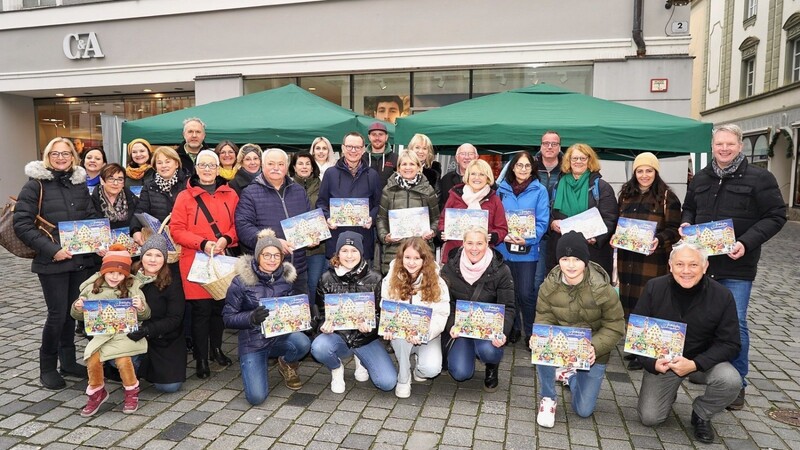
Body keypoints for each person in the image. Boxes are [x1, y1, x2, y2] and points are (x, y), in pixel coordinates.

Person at [681, 123, 787, 410]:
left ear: (740, 146)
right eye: (719, 144)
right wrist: (687, 222)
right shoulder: (701, 178)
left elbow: (776, 215)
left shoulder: (759, 178)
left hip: (737, 266)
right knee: (700, 319)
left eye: (730, 144)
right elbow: (688, 207)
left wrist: (747, 242)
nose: (724, 149)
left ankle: (736, 384)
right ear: (712, 147)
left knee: (735, 324)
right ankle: (704, 369)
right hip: (702, 264)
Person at [635, 242, 742, 444]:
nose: (686, 271)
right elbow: (636, 334)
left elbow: (731, 343)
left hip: (704, 362)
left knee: (731, 380)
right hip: (665, 364)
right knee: (650, 418)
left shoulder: (722, 295)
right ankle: (668, 394)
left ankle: (702, 413)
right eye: (680, 264)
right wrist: (652, 363)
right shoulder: (654, 287)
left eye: (693, 265)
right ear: (670, 265)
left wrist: (695, 364)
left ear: (705, 266)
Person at [14, 137, 97, 390]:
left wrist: (97, 237)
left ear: (73, 157)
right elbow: (22, 225)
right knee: (57, 314)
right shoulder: (34, 185)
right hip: (52, 261)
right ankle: (47, 367)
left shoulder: (79, 184)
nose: (61, 158)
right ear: (47, 157)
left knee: (72, 313)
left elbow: (90, 215)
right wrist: (53, 250)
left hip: (79, 260)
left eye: (66, 154)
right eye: (55, 154)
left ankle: (68, 362)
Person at [532, 231, 625, 428]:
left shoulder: (603, 289)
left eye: (576, 259)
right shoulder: (548, 286)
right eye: (565, 259)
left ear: (585, 260)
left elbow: (615, 326)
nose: (571, 265)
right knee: (540, 344)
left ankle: (570, 376)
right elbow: (544, 318)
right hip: (560, 345)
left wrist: (595, 347)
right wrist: (538, 336)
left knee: (583, 410)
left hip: (591, 351)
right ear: (559, 260)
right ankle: (548, 398)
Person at [171, 150, 239, 379]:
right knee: (200, 311)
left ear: (219, 168)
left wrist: (226, 238)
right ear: (196, 168)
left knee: (220, 308)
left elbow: (237, 225)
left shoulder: (230, 194)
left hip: (222, 258)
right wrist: (202, 243)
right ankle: (200, 358)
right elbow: (177, 230)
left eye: (212, 165)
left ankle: (216, 349)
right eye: (203, 165)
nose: (208, 169)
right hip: (195, 260)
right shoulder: (184, 197)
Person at [223, 229, 312, 405]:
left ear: (281, 257)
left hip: (279, 337)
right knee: (256, 398)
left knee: (303, 342)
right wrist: (251, 318)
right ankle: (256, 362)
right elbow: (227, 317)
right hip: (253, 341)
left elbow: (291, 311)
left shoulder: (286, 279)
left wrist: (304, 319)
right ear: (258, 256)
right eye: (267, 255)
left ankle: (285, 362)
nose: (272, 260)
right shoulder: (240, 282)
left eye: (276, 255)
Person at [612, 152, 681, 370]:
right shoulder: (625, 195)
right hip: (627, 258)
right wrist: (615, 236)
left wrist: (658, 240)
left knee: (650, 301)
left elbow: (675, 230)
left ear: (656, 172)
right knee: (630, 301)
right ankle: (634, 347)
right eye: (640, 171)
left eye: (649, 170)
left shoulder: (667, 198)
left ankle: (648, 353)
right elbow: (617, 223)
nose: (644, 175)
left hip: (653, 259)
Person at [311, 232, 396, 393]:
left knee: (387, 382)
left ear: (361, 253)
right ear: (337, 253)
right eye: (344, 250)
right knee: (319, 347)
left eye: (354, 250)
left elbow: (384, 315)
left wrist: (371, 325)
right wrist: (323, 325)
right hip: (339, 336)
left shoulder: (376, 279)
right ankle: (336, 368)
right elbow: (319, 312)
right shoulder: (326, 278)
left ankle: (361, 359)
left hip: (365, 338)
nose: (349, 256)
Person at [70, 246, 150, 416]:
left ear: (126, 274)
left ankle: (131, 393)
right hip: (101, 336)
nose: (115, 277)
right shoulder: (91, 287)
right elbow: (78, 315)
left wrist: (140, 307)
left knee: (123, 361)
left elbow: (145, 315)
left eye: (120, 273)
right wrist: (78, 307)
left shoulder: (133, 287)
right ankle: (97, 392)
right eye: (111, 272)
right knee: (92, 359)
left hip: (124, 335)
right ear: (103, 271)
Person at [440, 228, 515, 392]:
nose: (474, 248)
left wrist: (502, 332)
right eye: (470, 243)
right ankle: (467, 352)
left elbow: (509, 307)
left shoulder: (501, 270)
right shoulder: (449, 268)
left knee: (489, 351)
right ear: (463, 244)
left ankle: (491, 366)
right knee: (460, 373)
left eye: (479, 243)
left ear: (487, 244)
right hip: (461, 329)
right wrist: (452, 324)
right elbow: (444, 303)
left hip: (488, 330)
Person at [235, 148, 312, 295]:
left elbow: (308, 220)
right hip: (268, 272)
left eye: (280, 164)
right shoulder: (250, 192)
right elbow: (243, 227)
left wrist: (312, 236)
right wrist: (272, 242)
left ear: (287, 166)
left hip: (299, 269)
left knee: (300, 315)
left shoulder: (299, 191)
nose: (276, 168)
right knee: (271, 316)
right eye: (271, 163)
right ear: (263, 166)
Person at [381, 238, 450, 398]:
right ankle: (404, 378)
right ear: (401, 258)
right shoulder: (391, 278)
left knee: (430, 370)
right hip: (402, 334)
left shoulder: (437, 282)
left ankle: (419, 367)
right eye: (408, 257)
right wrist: (388, 326)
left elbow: (441, 314)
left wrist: (426, 333)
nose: (411, 262)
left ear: (424, 260)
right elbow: (386, 304)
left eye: (416, 258)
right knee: (400, 338)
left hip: (428, 335)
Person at [496, 151, 550, 345]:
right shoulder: (501, 189)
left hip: (528, 251)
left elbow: (543, 222)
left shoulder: (540, 190)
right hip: (504, 249)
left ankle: (530, 332)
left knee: (526, 293)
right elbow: (496, 218)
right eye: (519, 165)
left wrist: (527, 239)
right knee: (509, 292)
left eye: (527, 166)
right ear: (512, 167)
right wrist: (503, 234)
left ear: (533, 169)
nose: (523, 169)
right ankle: (513, 328)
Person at [547, 143, 618, 276]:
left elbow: (611, 218)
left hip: (592, 253)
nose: (578, 162)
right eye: (574, 158)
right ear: (568, 161)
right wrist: (551, 223)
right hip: (562, 253)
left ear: (589, 160)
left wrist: (597, 237)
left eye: (583, 158)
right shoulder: (556, 187)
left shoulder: (602, 187)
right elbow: (547, 214)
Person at [131, 235, 187, 393]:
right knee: (119, 360)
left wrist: (148, 330)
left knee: (169, 387)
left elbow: (175, 318)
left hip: (164, 337)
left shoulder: (172, 281)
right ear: (142, 257)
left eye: (158, 255)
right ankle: (131, 367)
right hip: (134, 334)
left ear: (165, 259)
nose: (153, 260)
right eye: (148, 254)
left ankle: (146, 368)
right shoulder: (130, 276)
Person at [317, 132, 382, 263]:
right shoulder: (331, 174)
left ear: (363, 149)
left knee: (363, 282)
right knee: (335, 281)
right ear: (342, 148)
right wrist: (328, 218)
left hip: (363, 238)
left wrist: (372, 218)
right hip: (337, 239)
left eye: (357, 147)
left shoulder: (372, 175)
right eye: (349, 146)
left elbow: (379, 204)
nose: (353, 151)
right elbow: (321, 203)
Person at [377, 150, 439, 274]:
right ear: (398, 168)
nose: (408, 168)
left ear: (418, 167)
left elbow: (437, 219)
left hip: (421, 250)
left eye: (412, 164)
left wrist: (432, 232)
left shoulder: (428, 190)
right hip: (395, 250)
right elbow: (381, 219)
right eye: (404, 164)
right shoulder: (388, 190)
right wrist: (385, 237)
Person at [438, 159, 508, 264]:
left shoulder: (494, 199)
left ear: (488, 178)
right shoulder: (455, 195)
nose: (477, 178)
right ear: (468, 176)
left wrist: (494, 236)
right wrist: (442, 232)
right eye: (473, 174)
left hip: (482, 256)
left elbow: (502, 228)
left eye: (481, 174)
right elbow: (443, 220)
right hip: (455, 254)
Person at [289, 151, 327, 306]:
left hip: (317, 247)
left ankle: (312, 318)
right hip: (294, 247)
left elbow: (326, 208)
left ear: (313, 167)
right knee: (295, 285)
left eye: (307, 163)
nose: (304, 167)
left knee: (313, 283)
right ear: (294, 167)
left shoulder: (323, 185)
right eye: (300, 163)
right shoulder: (287, 187)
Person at [130, 146, 188, 247]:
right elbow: (140, 210)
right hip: (157, 239)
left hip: (183, 240)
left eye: (167, 161)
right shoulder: (149, 186)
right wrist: (135, 230)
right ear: (155, 166)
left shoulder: (188, 184)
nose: (163, 166)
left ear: (177, 164)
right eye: (159, 163)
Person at [533, 131, 563, 307]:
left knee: (559, 280)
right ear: (540, 145)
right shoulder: (531, 166)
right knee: (536, 282)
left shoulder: (567, 168)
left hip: (560, 231)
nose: (549, 147)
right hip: (537, 233)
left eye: (554, 144)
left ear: (560, 147)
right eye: (546, 143)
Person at [91, 163, 139, 231]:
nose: (115, 183)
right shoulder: (91, 201)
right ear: (102, 180)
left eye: (120, 180)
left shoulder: (132, 199)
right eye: (111, 179)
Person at [439, 143, 478, 210]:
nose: (467, 157)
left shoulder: (485, 180)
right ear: (457, 158)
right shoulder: (446, 180)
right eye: (463, 154)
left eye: (471, 154)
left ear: (476, 157)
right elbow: (442, 206)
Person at [365, 122, 397, 188]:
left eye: (380, 134)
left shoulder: (396, 158)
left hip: (388, 198)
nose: (377, 138)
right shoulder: (361, 159)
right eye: (374, 134)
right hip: (367, 197)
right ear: (369, 137)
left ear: (386, 137)